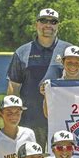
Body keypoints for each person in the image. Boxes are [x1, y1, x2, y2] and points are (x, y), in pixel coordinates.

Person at [7, 8, 71, 149]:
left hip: (62, 119)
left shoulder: (68, 51)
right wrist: (12, 115)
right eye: (44, 21)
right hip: (30, 120)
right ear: (36, 24)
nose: (48, 25)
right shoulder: (22, 52)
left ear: (58, 26)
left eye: (53, 22)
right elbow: (14, 87)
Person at [41, 45, 79, 118]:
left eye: (77, 63)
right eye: (69, 62)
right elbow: (48, 114)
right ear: (62, 62)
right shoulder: (54, 86)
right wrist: (46, 94)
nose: (73, 66)